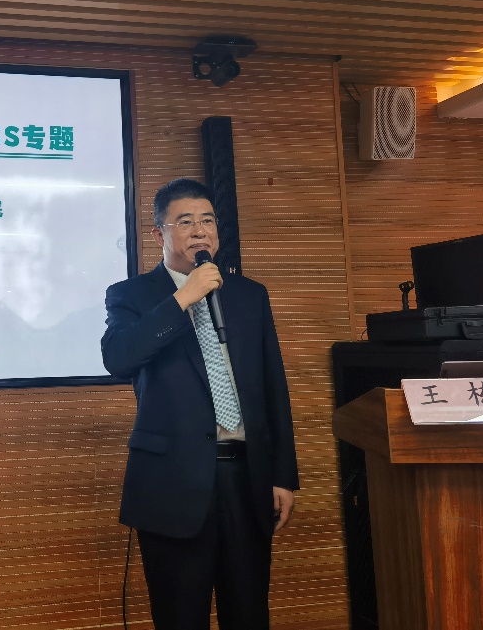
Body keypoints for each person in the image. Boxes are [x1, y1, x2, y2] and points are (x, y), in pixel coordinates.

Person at [101, 178, 298, 630]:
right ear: (159, 234)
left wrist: (282, 476)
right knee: (180, 617)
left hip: (246, 478)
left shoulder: (249, 294)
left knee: (248, 614)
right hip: (172, 484)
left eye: (207, 220)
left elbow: (273, 386)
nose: (199, 230)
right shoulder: (131, 295)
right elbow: (119, 358)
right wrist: (183, 298)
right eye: (186, 221)